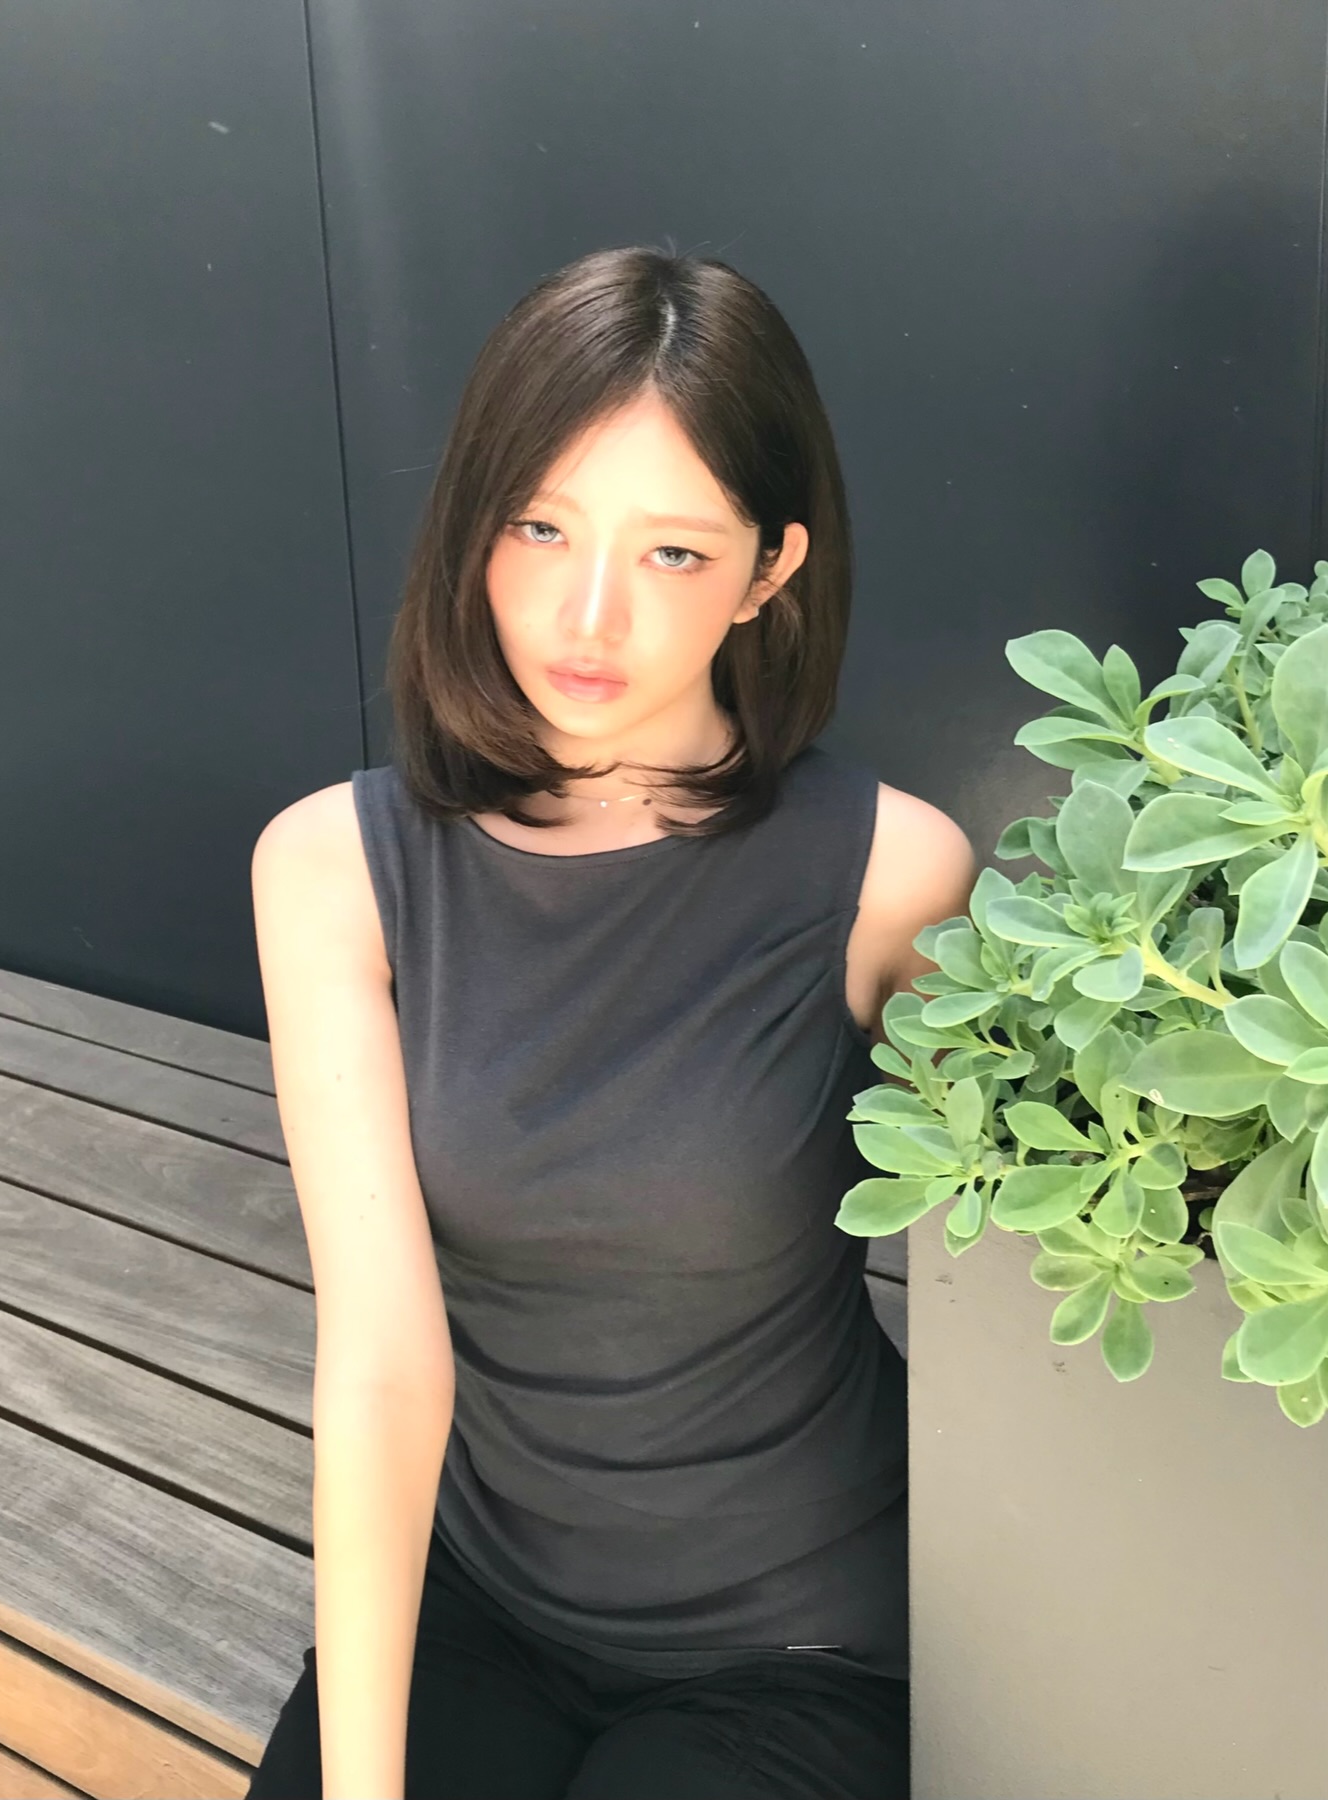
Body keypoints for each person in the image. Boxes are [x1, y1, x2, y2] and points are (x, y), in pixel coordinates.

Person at [246, 244, 977, 1800]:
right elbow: (382, 1362)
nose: (587, 615)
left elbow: (1039, 1259)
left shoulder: (889, 875)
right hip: (483, 1603)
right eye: (541, 526)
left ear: (770, 570)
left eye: (673, 553)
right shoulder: (335, 868)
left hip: (800, 1643)